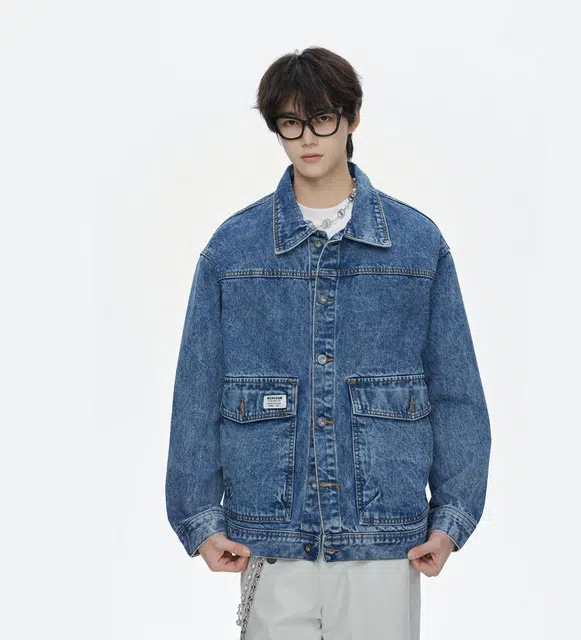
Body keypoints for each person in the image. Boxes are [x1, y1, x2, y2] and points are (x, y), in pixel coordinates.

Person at [165, 46, 491, 640]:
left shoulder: (417, 246)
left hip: (384, 536)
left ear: (352, 118)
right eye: (290, 123)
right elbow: (197, 391)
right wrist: (200, 518)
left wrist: (451, 517)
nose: (307, 137)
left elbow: (457, 392)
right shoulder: (233, 250)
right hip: (270, 535)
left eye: (321, 118)